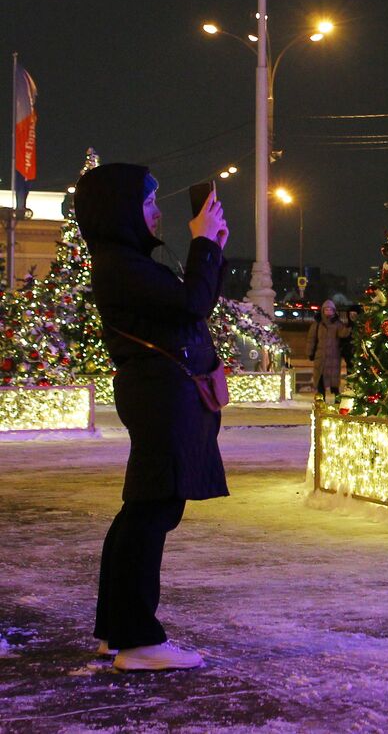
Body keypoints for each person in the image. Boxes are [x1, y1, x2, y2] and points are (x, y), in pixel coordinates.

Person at [75, 164, 229, 671]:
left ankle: (119, 630)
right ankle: (138, 639)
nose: (158, 212)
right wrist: (205, 244)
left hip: (161, 395)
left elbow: (185, 306)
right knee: (151, 512)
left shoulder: (125, 261)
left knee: (144, 512)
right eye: (147, 203)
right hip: (162, 397)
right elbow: (192, 304)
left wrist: (213, 245)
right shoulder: (120, 264)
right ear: (120, 211)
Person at [307, 299, 351, 402]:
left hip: (333, 357)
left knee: (334, 381)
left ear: (334, 311)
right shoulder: (317, 324)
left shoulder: (337, 324)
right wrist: (310, 352)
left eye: (331, 309)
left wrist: (350, 326)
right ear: (322, 310)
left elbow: (343, 333)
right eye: (326, 309)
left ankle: (337, 401)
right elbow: (311, 339)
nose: (328, 311)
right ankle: (321, 400)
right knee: (320, 380)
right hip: (320, 357)